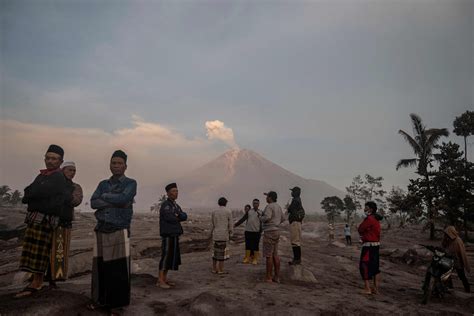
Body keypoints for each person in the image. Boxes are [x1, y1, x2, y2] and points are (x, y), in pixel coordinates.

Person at [15, 145, 69, 298]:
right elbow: (27, 193)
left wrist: (34, 200)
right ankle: (35, 280)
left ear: (60, 161)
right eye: (48, 158)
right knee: (32, 250)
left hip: (45, 220)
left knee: (40, 251)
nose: (50, 161)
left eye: (54, 159)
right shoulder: (42, 176)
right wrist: (35, 197)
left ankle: (37, 283)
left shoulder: (58, 177)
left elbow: (41, 196)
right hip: (36, 219)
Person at [89, 150, 137, 313]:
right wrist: (114, 199)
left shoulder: (131, 183)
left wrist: (106, 197)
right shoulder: (103, 183)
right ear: (109, 164)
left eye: (119, 163)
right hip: (101, 228)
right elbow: (93, 202)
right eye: (113, 163)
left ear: (125, 166)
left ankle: (117, 304)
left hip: (119, 228)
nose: (116, 166)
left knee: (118, 268)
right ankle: (100, 299)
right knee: (101, 266)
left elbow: (124, 199)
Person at [47, 161, 83, 288]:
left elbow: (76, 201)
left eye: (74, 171)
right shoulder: (53, 183)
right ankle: (41, 278)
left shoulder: (76, 187)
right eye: (69, 170)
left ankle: (54, 280)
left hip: (64, 222)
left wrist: (62, 195)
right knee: (46, 250)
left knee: (60, 251)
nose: (72, 173)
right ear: (63, 170)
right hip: (49, 221)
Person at [158, 183, 187, 289]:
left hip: (174, 234)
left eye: (177, 191)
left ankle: (164, 279)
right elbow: (170, 218)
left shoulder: (175, 205)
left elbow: (184, 216)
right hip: (168, 235)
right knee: (165, 257)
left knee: (171, 258)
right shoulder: (166, 205)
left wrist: (178, 215)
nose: (176, 193)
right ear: (168, 193)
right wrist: (178, 215)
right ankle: (160, 280)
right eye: (174, 191)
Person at [260, 191, 286, 283]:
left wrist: (261, 218)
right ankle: (277, 277)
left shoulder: (269, 206)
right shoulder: (278, 206)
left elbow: (267, 217)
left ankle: (269, 277)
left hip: (269, 231)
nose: (266, 198)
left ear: (270, 198)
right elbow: (283, 218)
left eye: (267, 197)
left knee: (268, 255)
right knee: (275, 254)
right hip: (277, 231)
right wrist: (276, 222)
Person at [358, 201, 382, 295]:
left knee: (364, 266)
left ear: (370, 209)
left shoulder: (369, 219)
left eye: (366, 207)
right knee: (375, 267)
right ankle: (375, 289)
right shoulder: (376, 219)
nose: (364, 209)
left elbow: (360, 229)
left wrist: (364, 233)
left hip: (368, 247)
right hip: (376, 246)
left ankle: (367, 289)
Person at [442, 226, 470, 293]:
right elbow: (443, 247)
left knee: (461, 275)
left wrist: (464, 263)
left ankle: (467, 289)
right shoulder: (448, 239)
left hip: (457, 261)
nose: (446, 235)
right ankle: (450, 286)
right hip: (449, 260)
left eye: (447, 233)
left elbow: (462, 253)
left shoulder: (458, 241)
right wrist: (444, 240)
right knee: (446, 273)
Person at [234, 200, 262, 265]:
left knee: (256, 246)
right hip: (248, 231)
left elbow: (262, 222)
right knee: (248, 245)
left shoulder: (261, 212)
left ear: (258, 204)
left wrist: (260, 231)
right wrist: (235, 224)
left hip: (256, 232)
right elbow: (243, 219)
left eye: (256, 203)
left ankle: (255, 259)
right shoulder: (249, 212)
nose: (255, 204)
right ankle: (247, 258)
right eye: (254, 203)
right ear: (252, 204)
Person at [211, 197, 233, 274]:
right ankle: (220, 270)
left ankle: (214, 269)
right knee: (222, 253)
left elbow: (212, 224)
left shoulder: (214, 211)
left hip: (216, 234)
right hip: (224, 235)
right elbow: (230, 225)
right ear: (226, 203)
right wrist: (231, 233)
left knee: (215, 253)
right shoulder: (228, 211)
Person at [287, 186, 305, 265]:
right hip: (297, 223)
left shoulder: (295, 200)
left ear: (296, 193)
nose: (291, 193)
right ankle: (297, 259)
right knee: (296, 241)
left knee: (295, 242)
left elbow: (290, 209)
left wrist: (288, 208)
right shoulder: (298, 200)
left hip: (295, 223)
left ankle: (297, 259)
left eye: (293, 191)